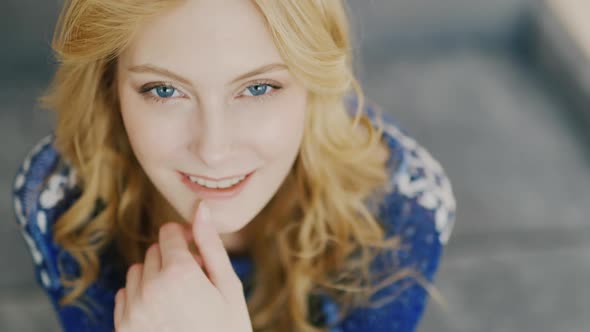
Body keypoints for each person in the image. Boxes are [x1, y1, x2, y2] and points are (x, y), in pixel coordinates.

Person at [11, 0, 456, 331]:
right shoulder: (62, 200)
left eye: (259, 87)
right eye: (165, 91)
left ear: (313, 83)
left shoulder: (400, 209)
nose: (214, 150)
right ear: (109, 89)